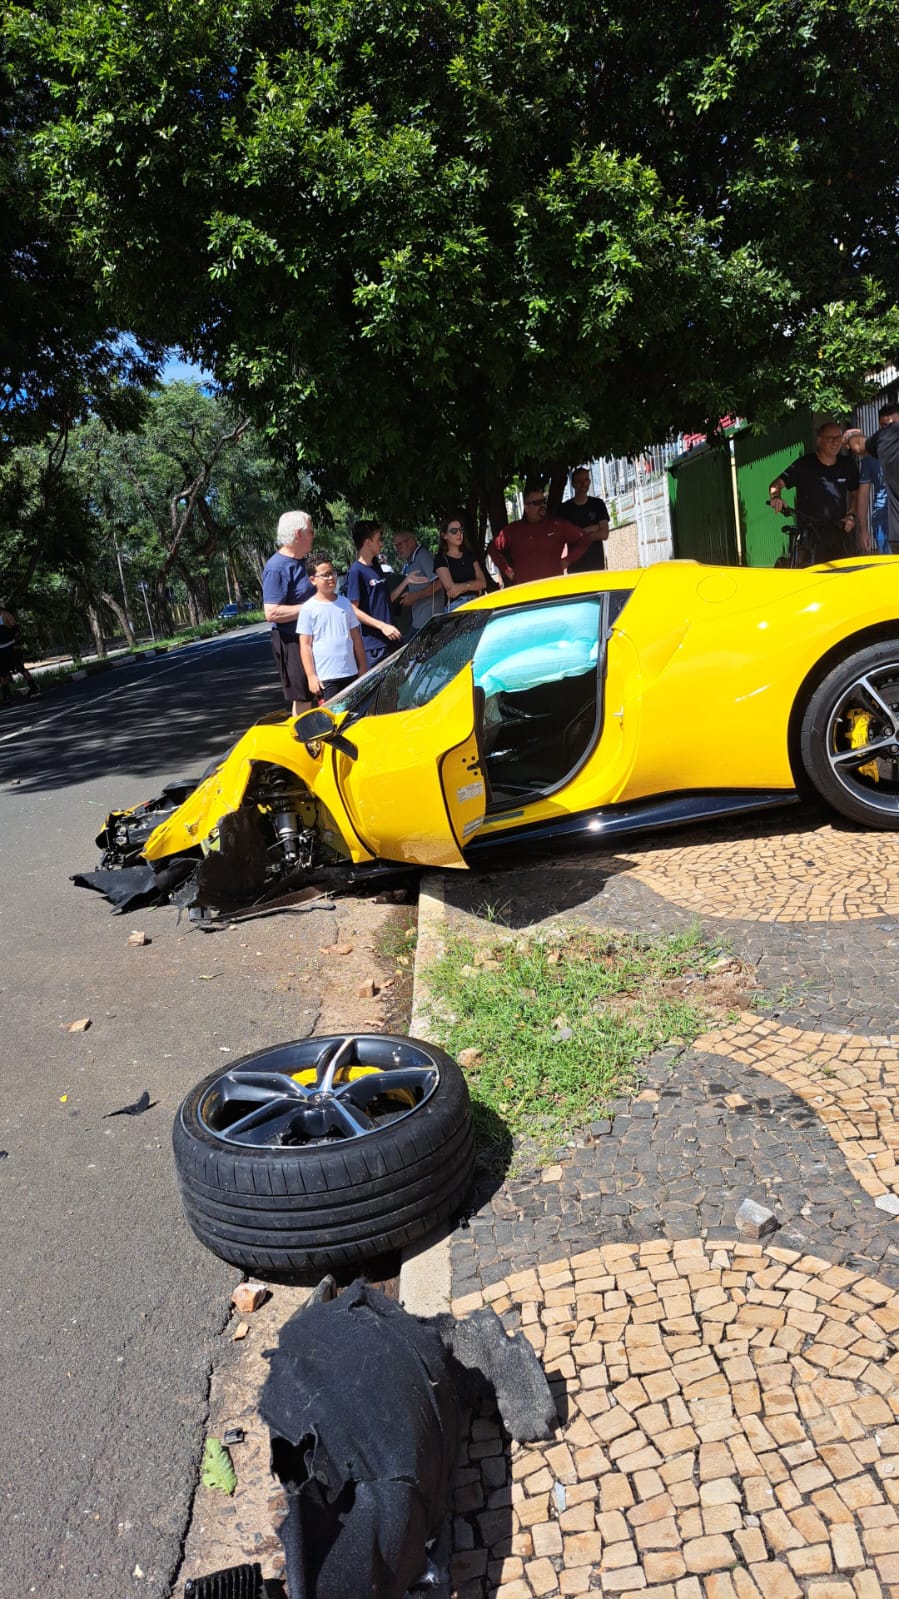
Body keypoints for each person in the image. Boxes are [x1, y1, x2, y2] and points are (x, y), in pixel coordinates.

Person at [768, 421, 859, 563]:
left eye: (838, 438)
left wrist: (851, 515)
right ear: (819, 440)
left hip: (839, 531)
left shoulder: (847, 465)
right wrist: (776, 497)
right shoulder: (803, 465)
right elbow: (776, 484)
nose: (836, 443)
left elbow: (855, 493)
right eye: (831, 439)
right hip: (809, 534)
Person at [485, 481, 592, 587]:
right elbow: (492, 548)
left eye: (543, 501)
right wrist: (506, 569)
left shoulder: (557, 525)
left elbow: (585, 538)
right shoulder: (513, 530)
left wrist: (568, 560)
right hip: (525, 592)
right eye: (537, 503)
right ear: (526, 508)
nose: (542, 505)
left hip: (553, 589)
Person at [262, 511, 315, 714]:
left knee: (314, 692)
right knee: (303, 695)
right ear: (298, 534)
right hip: (291, 641)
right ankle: (304, 743)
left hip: (309, 638)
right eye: (311, 531)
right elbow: (272, 613)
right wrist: (311, 607)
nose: (314, 536)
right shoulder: (276, 567)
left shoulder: (303, 562)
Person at [297, 553, 367, 702]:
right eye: (325, 575)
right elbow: (305, 645)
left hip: (351, 672)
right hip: (326, 678)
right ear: (313, 580)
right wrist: (311, 676)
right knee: (332, 719)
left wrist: (362, 666)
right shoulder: (308, 608)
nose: (331, 578)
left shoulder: (345, 603)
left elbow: (356, 637)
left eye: (332, 573)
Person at [345, 520, 403, 669]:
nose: (381, 544)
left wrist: (407, 581)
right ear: (368, 542)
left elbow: (385, 599)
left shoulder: (376, 566)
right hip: (374, 646)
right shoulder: (355, 571)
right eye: (378, 540)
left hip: (392, 638)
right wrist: (382, 626)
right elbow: (353, 609)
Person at [843, 427, 889, 554]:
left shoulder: (869, 457)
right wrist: (863, 531)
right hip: (883, 518)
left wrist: (863, 531)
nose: (857, 451)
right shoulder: (869, 460)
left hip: (883, 517)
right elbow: (862, 497)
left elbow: (863, 496)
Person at [556, 466, 610, 573]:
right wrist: (593, 528)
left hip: (596, 566)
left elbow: (604, 534)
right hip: (575, 567)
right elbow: (564, 536)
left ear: (589, 481)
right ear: (573, 484)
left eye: (586, 480)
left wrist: (580, 534)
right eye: (579, 481)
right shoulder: (565, 509)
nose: (583, 484)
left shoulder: (598, 504)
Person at [390, 530, 445, 633]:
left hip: (430, 623)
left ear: (410, 542)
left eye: (399, 545)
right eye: (395, 546)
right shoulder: (411, 562)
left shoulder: (424, 556)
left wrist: (415, 596)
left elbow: (440, 583)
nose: (397, 549)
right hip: (419, 623)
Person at [434, 514, 487, 610]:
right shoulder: (441, 559)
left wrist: (463, 586)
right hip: (457, 607)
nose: (459, 534)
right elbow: (452, 590)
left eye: (461, 530)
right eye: (454, 531)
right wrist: (473, 585)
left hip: (477, 603)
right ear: (444, 535)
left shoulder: (469, 555)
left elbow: (483, 583)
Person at [865, 404, 899, 553]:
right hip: (884, 516)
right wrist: (863, 530)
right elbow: (863, 492)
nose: (887, 430)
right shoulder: (870, 456)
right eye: (883, 427)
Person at [0, 605, 39, 704]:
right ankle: (6, 696)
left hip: (11, 647)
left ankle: (34, 689)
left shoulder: (5, 615)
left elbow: (16, 629)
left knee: (20, 668)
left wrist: (17, 644)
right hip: (1, 650)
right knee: (3, 674)